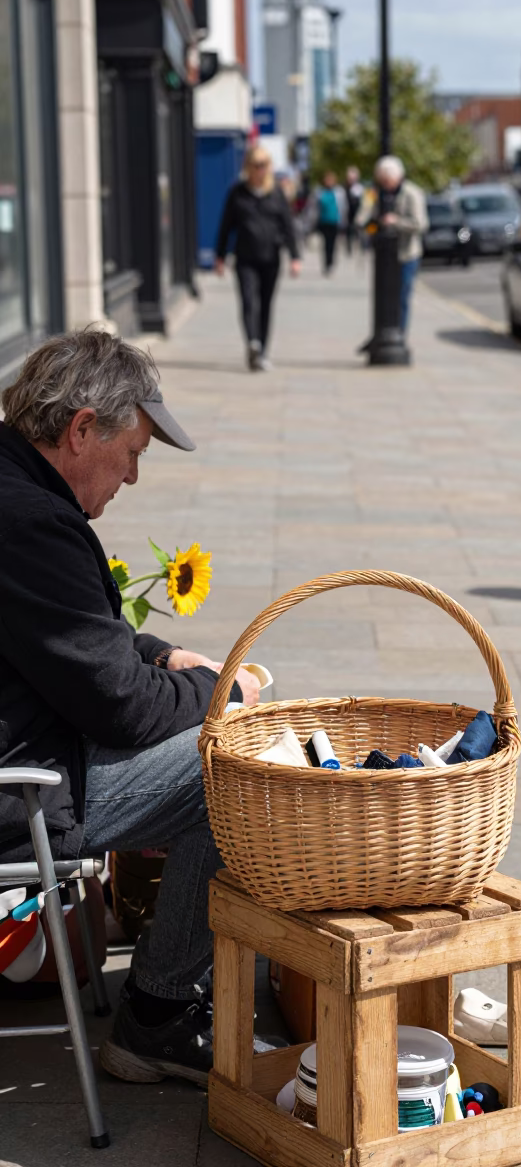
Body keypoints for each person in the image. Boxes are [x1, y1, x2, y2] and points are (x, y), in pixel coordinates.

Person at [0, 329, 261, 1086]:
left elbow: (73, 641)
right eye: (134, 452)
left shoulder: (16, 489)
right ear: (81, 429)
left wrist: (163, 656)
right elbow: (119, 708)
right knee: (241, 767)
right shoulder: (31, 524)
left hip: (30, 747)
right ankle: (158, 1017)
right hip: (22, 791)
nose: (135, 477)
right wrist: (224, 692)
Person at [215, 146, 301, 371]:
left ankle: (263, 351)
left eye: (263, 165)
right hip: (245, 257)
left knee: (265, 304)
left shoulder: (277, 193)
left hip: (271, 258)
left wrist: (295, 256)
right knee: (248, 301)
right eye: (256, 165)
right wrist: (220, 256)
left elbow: (288, 225)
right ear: (248, 167)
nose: (260, 169)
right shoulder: (237, 193)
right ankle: (252, 342)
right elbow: (226, 226)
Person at [373, 155, 428, 336]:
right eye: (381, 181)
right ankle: (384, 331)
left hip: (406, 254)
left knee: (402, 297)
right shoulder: (380, 193)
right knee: (385, 297)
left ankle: (400, 334)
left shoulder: (412, 193)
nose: (384, 185)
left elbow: (420, 224)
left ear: (397, 176)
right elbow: (370, 217)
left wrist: (396, 222)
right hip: (386, 255)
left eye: (386, 181)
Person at [315, 170, 343, 275]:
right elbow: (315, 208)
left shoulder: (339, 192)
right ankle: (326, 263)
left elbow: (343, 207)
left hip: (334, 221)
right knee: (325, 244)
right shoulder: (320, 192)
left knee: (333, 244)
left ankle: (331, 262)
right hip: (323, 221)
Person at [344, 166, 364, 255]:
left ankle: (360, 246)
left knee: (357, 230)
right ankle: (349, 248)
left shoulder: (359, 187)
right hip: (347, 213)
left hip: (357, 213)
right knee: (349, 231)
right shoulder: (344, 187)